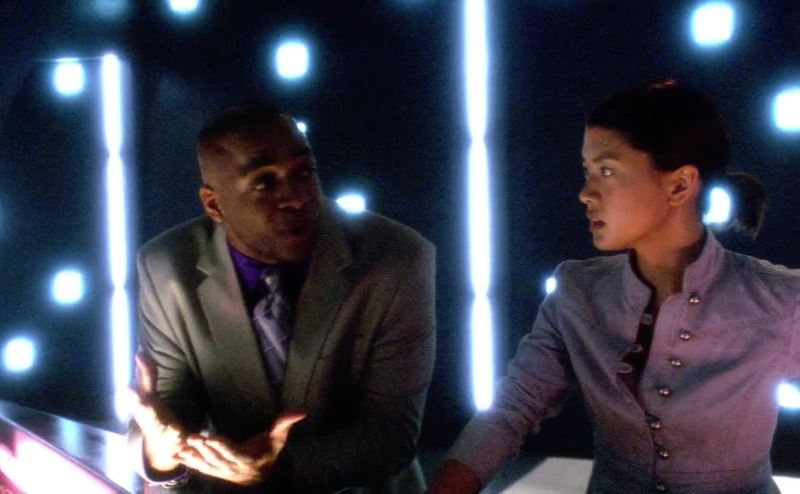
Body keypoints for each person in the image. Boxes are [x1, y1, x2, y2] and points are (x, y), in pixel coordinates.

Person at [428, 80, 799, 493]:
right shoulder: (577, 292)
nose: (586, 194)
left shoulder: (782, 301)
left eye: (607, 171)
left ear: (679, 185)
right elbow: (514, 408)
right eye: (587, 171)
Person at [127, 101, 436, 493]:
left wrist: (277, 471)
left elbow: (391, 432)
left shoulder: (397, 258)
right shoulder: (167, 267)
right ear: (214, 204)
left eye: (303, 172)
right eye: (265, 183)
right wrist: (161, 452)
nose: (296, 197)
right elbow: (170, 412)